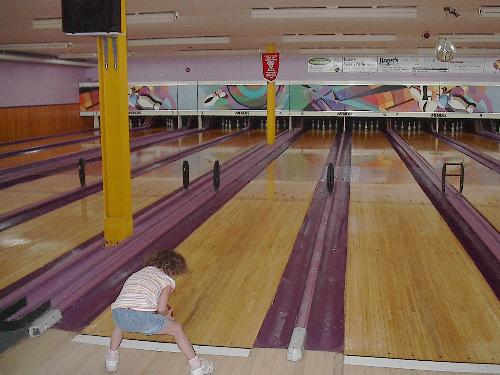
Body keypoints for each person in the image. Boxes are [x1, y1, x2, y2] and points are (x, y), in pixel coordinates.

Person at [105, 250, 214, 375]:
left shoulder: (138, 273)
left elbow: (133, 299)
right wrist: (166, 315)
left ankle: (111, 360)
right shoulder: (166, 280)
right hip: (144, 319)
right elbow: (161, 308)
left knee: (119, 326)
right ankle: (198, 367)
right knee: (177, 329)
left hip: (119, 313)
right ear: (173, 270)